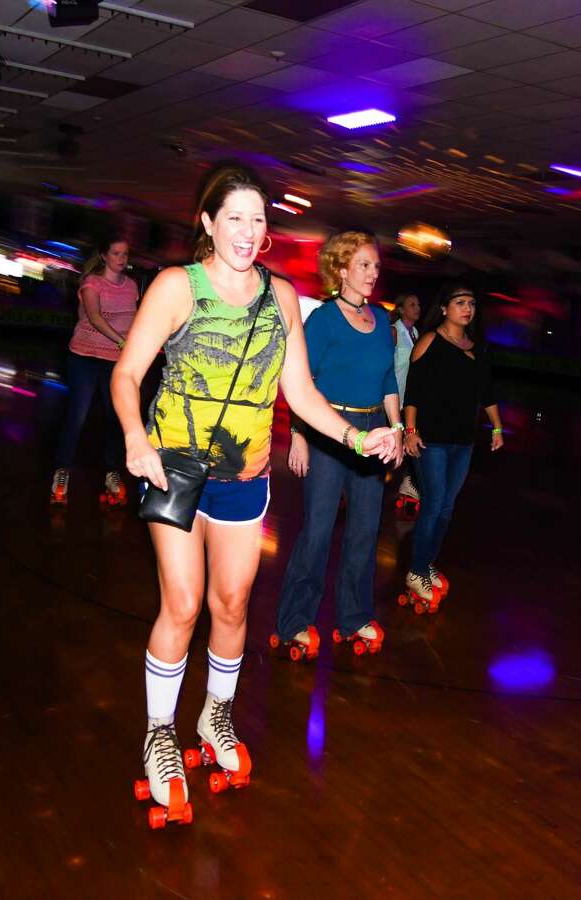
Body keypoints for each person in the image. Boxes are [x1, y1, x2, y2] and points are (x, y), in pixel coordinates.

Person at [111, 164, 395, 828]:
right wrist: (133, 435)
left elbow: (299, 393)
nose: (247, 231)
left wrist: (358, 439)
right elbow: (127, 373)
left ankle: (215, 718)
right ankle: (159, 735)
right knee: (182, 604)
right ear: (208, 223)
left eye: (258, 220)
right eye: (233, 217)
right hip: (174, 468)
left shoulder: (284, 298)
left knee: (233, 603)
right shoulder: (177, 287)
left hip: (245, 477)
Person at [273, 232, 403, 660]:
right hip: (330, 430)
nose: (373, 274)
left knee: (365, 532)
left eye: (376, 267)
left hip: (373, 429)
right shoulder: (323, 320)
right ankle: (294, 621)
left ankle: (353, 617)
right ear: (342, 269)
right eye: (364, 265)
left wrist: (397, 428)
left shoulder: (382, 321)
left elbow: (388, 381)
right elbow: (301, 382)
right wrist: (299, 435)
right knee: (319, 529)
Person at [403, 283, 504, 611]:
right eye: (460, 302)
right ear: (445, 308)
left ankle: (428, 560)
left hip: (463, 441)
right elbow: (413, 392)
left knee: (447, 508)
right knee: (433, 505)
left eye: (472, 303)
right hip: (431, 440)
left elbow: (486, 393)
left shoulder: (477, 348)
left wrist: (498, 427)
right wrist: (410, 431)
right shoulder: (430, 341)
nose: (467, 308)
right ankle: (416, 571)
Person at [50, 236, 138, 507]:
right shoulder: (92, 284)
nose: (121, 259)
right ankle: (61, 472)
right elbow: (95, 318)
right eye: (116, 253)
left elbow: (136, 319)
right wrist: (124, 342)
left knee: (115, 417)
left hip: (116, 362)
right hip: (84, 358)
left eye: (125, 254)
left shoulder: (132, 286)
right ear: (104, 255)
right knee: (78, 414)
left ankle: (112, 474)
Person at [392, 292, 422, 509]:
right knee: (388, 444)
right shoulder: (394, 332)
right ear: (401, 309)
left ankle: (408, 483)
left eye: (418, 304)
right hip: (392, 399)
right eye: (412, 304)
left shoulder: (417, 334)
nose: (417, 307)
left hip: (409, 400)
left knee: (411, 440)